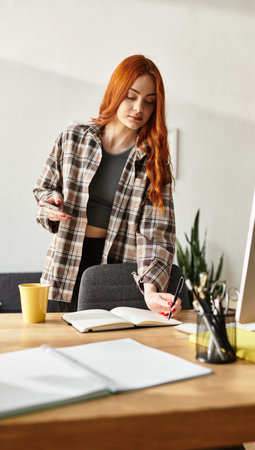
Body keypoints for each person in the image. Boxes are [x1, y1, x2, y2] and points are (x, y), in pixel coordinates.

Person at [33, 54, 182, 316]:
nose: (139, 109)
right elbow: (43, 191)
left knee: (109, 349)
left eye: (149, 102)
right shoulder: (72, 139)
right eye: (131, 97)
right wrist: (49, 205)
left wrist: (151, 289)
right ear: (116, 92)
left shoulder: (153, 163)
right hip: (64, 266)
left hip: (116, 270)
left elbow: (156, 234)